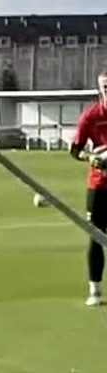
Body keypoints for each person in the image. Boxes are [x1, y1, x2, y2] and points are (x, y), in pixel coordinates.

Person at [72, 70, 107, 307]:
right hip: (99, 186)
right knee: (96, 236)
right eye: (105, 86)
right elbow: (75, 150)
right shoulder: (91, 116)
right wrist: (92, 158)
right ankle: (94, 289)